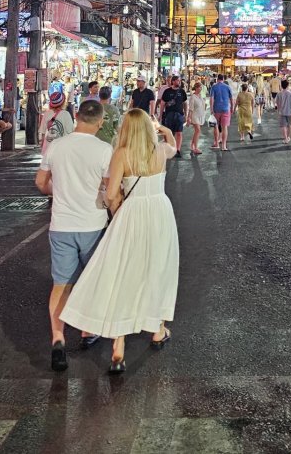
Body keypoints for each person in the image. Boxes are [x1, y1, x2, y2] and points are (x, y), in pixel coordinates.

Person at [61, 109, 181, 374]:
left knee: (124, 273)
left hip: (132, 215)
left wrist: (109, 202)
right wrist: (165, 130)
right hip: (160, 213)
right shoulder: (160, 151)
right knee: (157, 269)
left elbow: (112, 193)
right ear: (149, 129)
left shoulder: (122, 154)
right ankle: (158, 329)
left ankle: (118, 347)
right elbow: (173, 146)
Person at [35, 98, 113, 372]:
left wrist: (56, 193)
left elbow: (40, 182)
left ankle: (58, 338)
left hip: (61, 225)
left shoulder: (57, 147)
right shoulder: (105, 150)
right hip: (93, 224)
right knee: (91, 280)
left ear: (77, 116)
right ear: (100, 121)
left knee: (61, 284)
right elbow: (109, 191)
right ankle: (87, 330)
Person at [158, 76, 188, 155]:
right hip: (169, 115)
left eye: (179, 80)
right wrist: (160, 115)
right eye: (178, 80)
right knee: (169, 133)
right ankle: (170, 148)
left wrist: (186, 114)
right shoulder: (167, 91)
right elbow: (162, 104)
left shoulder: (182, 92)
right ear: (173, 81)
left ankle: (178, 150)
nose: (179, 82)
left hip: (179, 114)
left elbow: (185, 103)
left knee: (179, 132)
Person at [40, 89, 75, 156]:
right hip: (61, 148)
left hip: (48, 147)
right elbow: (70, 132)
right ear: (63, 102)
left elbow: (43, 132)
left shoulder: (46, 114)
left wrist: (42, 144)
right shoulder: (66, 114)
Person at [210, 74, 234, 151]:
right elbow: (231, 99)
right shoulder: (227, 87)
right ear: (223, 79)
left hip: (216, 109)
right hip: (226, 109)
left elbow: (211, 99)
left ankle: (216, 143)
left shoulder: (214, 87)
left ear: (217, 79)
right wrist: (232, 108)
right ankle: (224, 146)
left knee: (216, 126)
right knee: (224, 127)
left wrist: (211, 109)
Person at [186, 81, 207, 155]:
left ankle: (192, 145)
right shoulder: (193, 97)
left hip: (201, 115)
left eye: (201, 87)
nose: (200, 88)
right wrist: (188, 118)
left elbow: (203, 105)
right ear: (196, 88)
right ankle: (196, 148)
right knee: (198, 131)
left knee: (196, 131)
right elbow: (190, 109)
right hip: (195, 116)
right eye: (199, 87)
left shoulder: (201, 96)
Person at [276, 79, 291, 143]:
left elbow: (277, 103)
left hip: (282, 112)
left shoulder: (279, 94)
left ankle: (285, 139)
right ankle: (288, 137)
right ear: (288, 85)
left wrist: (278, 110)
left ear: (281, 86)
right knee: (289, 125)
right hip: (289, 111)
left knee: (283, 126)